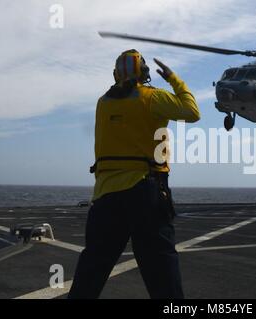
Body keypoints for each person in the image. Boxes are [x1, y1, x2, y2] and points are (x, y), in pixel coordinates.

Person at [68, 49, 200, 299]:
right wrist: (174, 79)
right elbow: (192, 111)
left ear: (116, 74)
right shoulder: (152, 98)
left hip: (105, 197)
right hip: (145, 192)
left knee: (91, 272)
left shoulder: (103, 103)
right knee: (162, 273)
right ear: (145, 73)